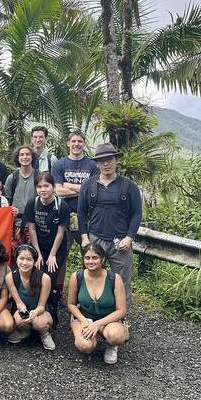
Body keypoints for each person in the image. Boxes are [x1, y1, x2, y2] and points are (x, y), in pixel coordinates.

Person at [78, 143, 142, 310]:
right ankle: (90, 311)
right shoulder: (88, 186)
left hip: (120, 241)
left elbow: (137, 213)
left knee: (122, 280)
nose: (106, 164)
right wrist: (84, 237)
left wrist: (129, 238)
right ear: (97, 164)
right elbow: (82, 213)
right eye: (102, 161)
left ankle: (121, 317)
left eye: (110, 160)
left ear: (116, 161)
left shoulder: (128, 186)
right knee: (92, 277)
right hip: (95, 239)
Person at [51, 130, 98, 299]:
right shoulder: (60, 164)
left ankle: (88, 291)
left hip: (88, 217)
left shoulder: (92, 165)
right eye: (73, 141)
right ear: (68, 143)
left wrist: (67, 184)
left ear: (84, 144)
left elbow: (93, 191)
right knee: (62, 254)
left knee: (89, 254)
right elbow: (56, 191)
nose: (76, 144)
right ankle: (57, 290)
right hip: (65, 216)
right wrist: (82, 188)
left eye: (80, 141)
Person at [67, 243, 129, 365]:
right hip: (84, 318)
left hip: (108, 319)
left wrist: (98, 324)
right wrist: (84, 321)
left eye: (95, 258)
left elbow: (121, 310)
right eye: (87, 258)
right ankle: (87, 332)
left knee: (116, 336)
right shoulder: (77, 276)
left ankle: (112, 346)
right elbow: (71, 304)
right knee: (85, 346)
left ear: (102, 259)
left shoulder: (114, 279)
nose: (91, 261)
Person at [23, 171, 70, 324]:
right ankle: (35, 308)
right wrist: (37, 253)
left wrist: (52, 254)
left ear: (53, 187)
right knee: (36, 273)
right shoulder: (33, 203)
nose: (43, 189)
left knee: (50, 275)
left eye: (46, 186)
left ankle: (52, 306)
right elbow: (32, 229)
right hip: (39, 245)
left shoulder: (61, 205)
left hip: (56, 247)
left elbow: (60, 232)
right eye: (39, 186)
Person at [4, 245, 55, 350]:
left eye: (29, 259)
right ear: (16, 259)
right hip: (24, 311)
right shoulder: (10, 277)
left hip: (41, 312)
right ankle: (25, 331)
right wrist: (22, 308)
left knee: (38, 323)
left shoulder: (44, 278)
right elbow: (18, 303)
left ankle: (44, 334)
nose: (24, 263)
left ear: (35, 261)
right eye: (21, 258)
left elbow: (42, 306)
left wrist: (35, 312)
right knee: (19, 320)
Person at [4, 145, 37, 241]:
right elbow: (7, 200)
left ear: (32, 157)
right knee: (17, 250)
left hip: (35, 220)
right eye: (21, 155)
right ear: (18, 158)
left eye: (27, 154)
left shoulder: (38, 176)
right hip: (17, 221)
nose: (25, 157)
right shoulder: (12, 178)